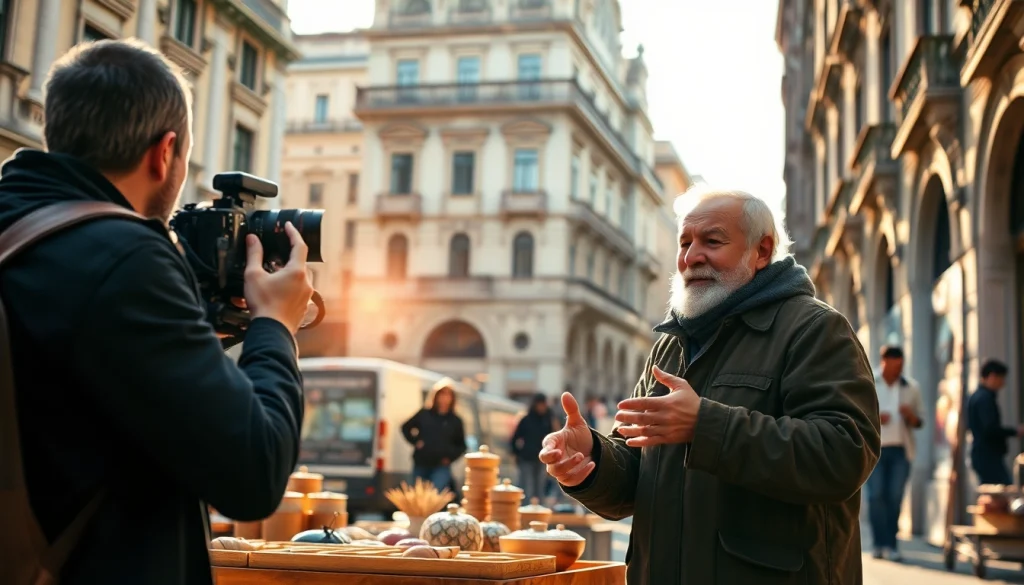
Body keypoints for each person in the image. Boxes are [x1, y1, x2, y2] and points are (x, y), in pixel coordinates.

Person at [0, 40, 313, 584]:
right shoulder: (125, 259)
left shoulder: (22, 230)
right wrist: (275, 324)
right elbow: (254, 474)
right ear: (164, 152)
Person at [539, 187, 881, 585]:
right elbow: (636, 475)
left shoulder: (814, 328)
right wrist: (590, 460)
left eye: (712, 242)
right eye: (685, 243)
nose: (692, 256)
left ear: (761, 250)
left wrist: (704, 425)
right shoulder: (670, 345)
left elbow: (844, 453)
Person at [865, 345, 923, 561]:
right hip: (874, 450)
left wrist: (910, 416)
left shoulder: (911, 387)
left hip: (900, 451)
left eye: (899, 367)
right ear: (883, 363)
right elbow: (857, 414)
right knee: (875, 496)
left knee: (894, 498)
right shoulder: (869, 382)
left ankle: (891, 545)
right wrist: (876, 418)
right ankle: (878, 544)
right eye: (892, 366)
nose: (896, 371)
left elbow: (920, 422)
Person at [401, 379, 467, 491]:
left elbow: (461, 445)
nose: (444, 398)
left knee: (435, 492)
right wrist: (416, 441)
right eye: (442, 394)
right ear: (435, 396)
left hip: (441, 465)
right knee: (419, 493)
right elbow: (405, 427)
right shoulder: (425, 414)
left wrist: (450, 457)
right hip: (421, 462)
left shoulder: (455, 421)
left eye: (448, 395)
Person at [967, 359, 1024, 485]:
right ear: (992, 376)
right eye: (1001, 378)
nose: (1003, 383)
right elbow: (990, 429)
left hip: (983, 454)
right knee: (1002, 489)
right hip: (988, 455)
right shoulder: (984, 399)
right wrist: (1015, 431)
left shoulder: (977, 396)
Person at [512, 393, 557, 501]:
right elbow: (515, 439)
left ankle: (538, 509)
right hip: (526, 459)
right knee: (527, 488)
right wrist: (517, 454)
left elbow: (553, 438)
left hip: (542, 460)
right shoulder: (526, 420)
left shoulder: (547, 420)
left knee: (539, 489)